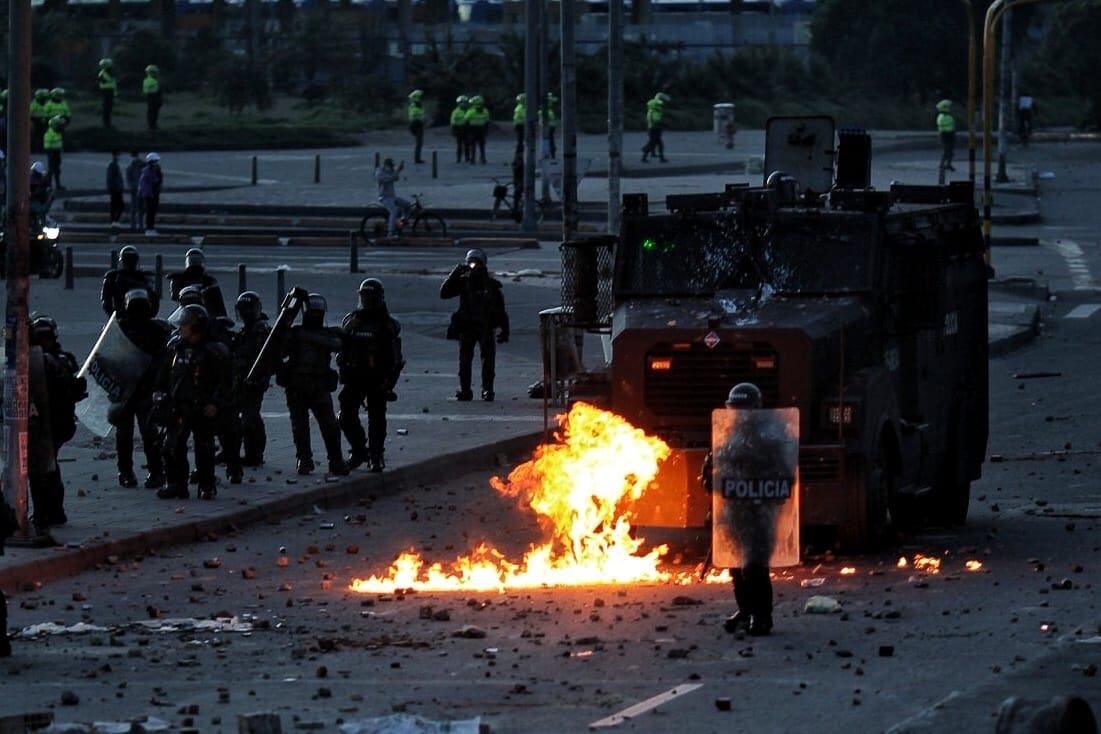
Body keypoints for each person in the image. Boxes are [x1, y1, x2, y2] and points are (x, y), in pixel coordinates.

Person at [702, 383, 783, 637]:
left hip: (759, 514)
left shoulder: (771, 438)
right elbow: (710, 478)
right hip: (733, 513)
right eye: (735, 410)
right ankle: (746, 610)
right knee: (735, 567)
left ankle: (762, 616)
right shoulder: (726, 438)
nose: (740, 415)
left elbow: (784, 474)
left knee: (755, 567)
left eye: (743, 410)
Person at [154, 304, 229, 501]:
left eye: (185, 324)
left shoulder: (213, 351)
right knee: (171, 446)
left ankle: (206, 485)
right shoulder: (175, 347)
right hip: (178, 405)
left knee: (204, 447)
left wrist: (216, 403)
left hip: (202, 407)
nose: (181, 328)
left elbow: (224, 383)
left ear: (197, 327)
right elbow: (164, 374)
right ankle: (176, 484)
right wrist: (159, 392)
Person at [276, 294, 349, 476]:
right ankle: (304, 459)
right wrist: (284, 331)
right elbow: (279, 351)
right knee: (300, 427)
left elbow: (337, 344)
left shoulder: (325, 334)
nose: (316, 316)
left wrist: (305, 336)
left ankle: (336, 460)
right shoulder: (294, 334)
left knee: (330, 426)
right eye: (313, 312)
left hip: (319, 386)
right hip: (297, 385)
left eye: (318, 312)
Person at [338, 278, 404, 473]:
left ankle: (376, 455)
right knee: (346, 415)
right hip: (354, 376)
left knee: (377, 417)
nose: (366, 302)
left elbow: (394, 356)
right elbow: (341, 341)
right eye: (363, 297)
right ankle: (359, 450)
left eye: (369, 298)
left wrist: (389, 380)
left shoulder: (387, 324)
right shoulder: (352, 320)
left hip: (377, 377)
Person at [28, 315, 86, 533]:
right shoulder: (57, 359)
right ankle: (52, 512)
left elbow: (76, 390)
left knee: (41, 469)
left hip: (51, 422)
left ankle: (45, 513)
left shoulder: (58, 361)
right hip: (51, 422)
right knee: (48, 467)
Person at [114, 289, 173, 489]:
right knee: (140, 433)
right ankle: (146, 472)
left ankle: (141, 472)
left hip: (140, 389)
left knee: (140, 433)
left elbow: (165, 360)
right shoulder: (121, 328)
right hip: (132, 389)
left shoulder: (156, 330)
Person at [440, 248, 509, 401]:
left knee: (488, 361)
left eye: (477, 263)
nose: (474, 266)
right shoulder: (464, 283)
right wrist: (455, 273)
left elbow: (500, 309)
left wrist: (505, 330)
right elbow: (444, 293)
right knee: (465, 361)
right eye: (471, 263)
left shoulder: (491, 285)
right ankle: (466, 390)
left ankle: (488, 390)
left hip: (485, 326)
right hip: (468, 326)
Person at [232, 292, 272, 467]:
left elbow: (264, 358)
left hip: (253, 381)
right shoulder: (246, 331)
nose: (244, 314)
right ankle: (237, 452)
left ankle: (254, 455)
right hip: (241, 380)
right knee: (241, 417)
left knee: (249, 419)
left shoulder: (260, 331)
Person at [101, 245, 159, 318]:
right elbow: (106, 301)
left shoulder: (144, 277)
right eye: (128, 260)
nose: (130, 263)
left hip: (140, 318)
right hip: (123, 317)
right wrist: (114, 316)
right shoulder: (113, 277)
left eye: (132, 260)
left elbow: (154, 299)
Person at [375, 158, 409, 237]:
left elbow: (396, 178)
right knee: (394, 211)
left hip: (392, 196)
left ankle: (402, 222)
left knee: (407, 205)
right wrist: (397, 171)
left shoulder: (390, 171)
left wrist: (398, 170)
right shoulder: (379, 173)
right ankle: (390, 233)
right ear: (385, 165)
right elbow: (389, 178)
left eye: (392, 166)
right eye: (390, 166)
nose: (391, 168)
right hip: (384, 197)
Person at [139, 152, 164, 235]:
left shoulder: (155, 170)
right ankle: (149, 229)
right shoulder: (147, 171)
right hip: (149, 195)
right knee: (150, 212)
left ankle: (151, 228)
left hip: (154, 194)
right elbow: (153, 181)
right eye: (155, 161)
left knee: (153, 212)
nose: (157, 163)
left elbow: (159, 181)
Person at [641, 93, 669, 163]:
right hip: (654, 129)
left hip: (654, 129)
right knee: (654, 143)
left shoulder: (653, 110)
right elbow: (656, 121)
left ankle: (659, 157)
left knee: (655, 143)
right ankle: (645, 152)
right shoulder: (655, 111)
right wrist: (663, 124)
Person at [465, 95, 490, 164]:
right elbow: (487, 121)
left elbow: (466, 121)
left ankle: (474, 159)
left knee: (474, 145)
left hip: (474, 129)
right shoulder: (485, 111)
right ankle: (482, 158)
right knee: (480, 145)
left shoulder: (471, 111)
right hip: (479, 129)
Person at [43, 115, 65, 191]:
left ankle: (58, 185)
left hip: (57, 153)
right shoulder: (49, 134)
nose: (61, 127)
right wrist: (52, 153)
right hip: (52, 153)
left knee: (57, 169)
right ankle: (48, 186)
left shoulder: (57, 133)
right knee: (51, 170)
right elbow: (48, 146)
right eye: (60, 125)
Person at [107, 150, 126, 229]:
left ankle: (114, 221)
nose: (119, 157)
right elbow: (110, 178)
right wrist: (112, 188)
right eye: (118, 155)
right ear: (115, 156)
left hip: (117, 189)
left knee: (116, 206)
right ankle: (114, 221)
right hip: (115, 189)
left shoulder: (115, 165)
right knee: (118, 205)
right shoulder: (112, 165)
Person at [126, 150, 144, 232]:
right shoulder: (131, 167)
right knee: (135, 208)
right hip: (135, 189)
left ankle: (139, 225)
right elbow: (128, 178)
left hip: (140, 189)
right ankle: (134, 225)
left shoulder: (141, 165)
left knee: (140, 208)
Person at [936, 99, 956, 173]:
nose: (951, 108)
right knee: (947, 151)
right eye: (949, 107)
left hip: (947, 135)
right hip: (946, 135)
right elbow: (949, 125)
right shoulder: (944, 116)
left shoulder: (942, 116)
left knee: (949, 151)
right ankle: (943, 165)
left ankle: (947, 164)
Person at [98, 58, 118, 128]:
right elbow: (109, 80)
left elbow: (113, 83)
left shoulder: (109, 73)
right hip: (106, 91)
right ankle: (106, 123)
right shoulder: (102, 73)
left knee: (109, 108)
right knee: (106, 108)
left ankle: (108, 123)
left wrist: (115, 92)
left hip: (110, 91)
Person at [408, 89, 426, 165]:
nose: (421, 98)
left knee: (420, 142)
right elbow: (414, 115)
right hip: (416, 124)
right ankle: (417, 159)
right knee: (419, 142)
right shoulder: (414, 105)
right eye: (420, 97)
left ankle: (418, 158)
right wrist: (420, 118)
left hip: (419, 124)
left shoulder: (419, 105)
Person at [451, 95, 470, 164]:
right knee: (459, 145)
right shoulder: (455, 112)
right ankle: (458, 158)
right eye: (462, 102)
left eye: (465, 102)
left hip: (467, 130)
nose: (463, 104)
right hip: (459, 130)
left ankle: (467, 158)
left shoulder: (469, 111)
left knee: (467, 145)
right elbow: (453, 122)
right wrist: (454, 130)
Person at [143, 65, 163, 134]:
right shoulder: (150, 80)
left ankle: (153, 125)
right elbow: (156, 89)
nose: (156, 74)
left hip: (154, 98)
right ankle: (151, 126)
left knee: (154, 112)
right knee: (152, 112)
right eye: (155, 72)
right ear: (151, 73)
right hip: (153, 98)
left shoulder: (152, 80)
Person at [30, 88, 50, 153]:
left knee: (44, 136)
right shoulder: (33, 104)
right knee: (37, 136)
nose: (44, 99)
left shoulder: (46, 103)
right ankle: (37, 149)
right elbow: (30, 114)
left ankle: (44, 149)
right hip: (36, 122)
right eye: (43, 97)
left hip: (45, 122)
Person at [541, 93, 558, 160]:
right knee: (550, 141)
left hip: (550, 126)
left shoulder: (548, 108)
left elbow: (555, 100)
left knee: (550, 140)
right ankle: (551, 154)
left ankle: (551, 154)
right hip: (549, 126)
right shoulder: (547, 108)